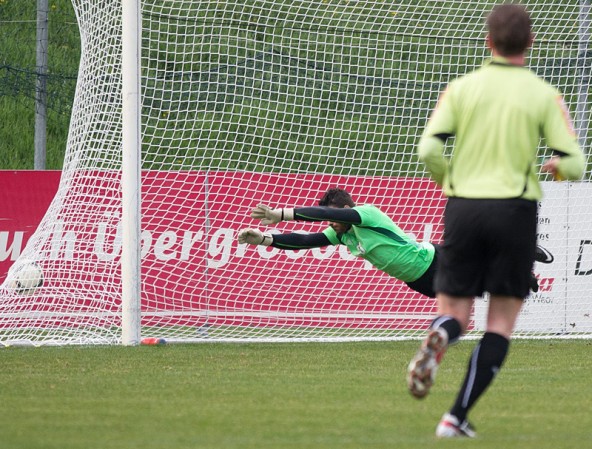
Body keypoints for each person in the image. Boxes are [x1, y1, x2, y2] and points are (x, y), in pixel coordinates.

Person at [407, 3, 585, 439]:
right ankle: (455, 416)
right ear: (531, 42)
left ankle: (441, 337)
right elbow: (576, 164)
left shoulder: (461, 88)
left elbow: (428, 150)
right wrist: (551, 168)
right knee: (499, 325)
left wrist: (452, 183)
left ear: (488, 41)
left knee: (455, 314)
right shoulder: (544, 93)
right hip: (514, 209)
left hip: (464, 206)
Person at [238, 188, 549, 298]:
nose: (329, 223)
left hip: (433, 260)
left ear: (347, 210)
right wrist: (266, 239)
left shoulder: (366, 214)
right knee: (484, 289)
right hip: (417, 281)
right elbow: (306, 241)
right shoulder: (343, 233)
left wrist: (282, 213)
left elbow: (318, 215)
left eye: (333, 217)